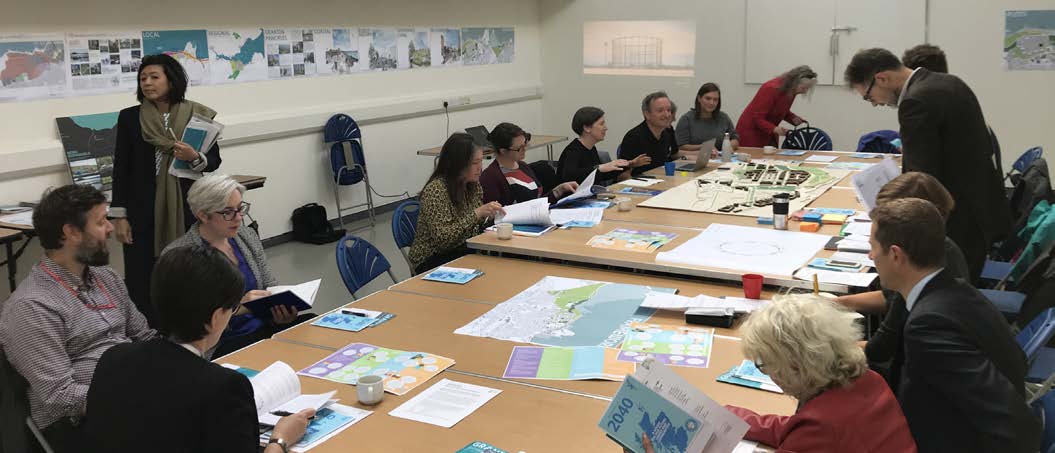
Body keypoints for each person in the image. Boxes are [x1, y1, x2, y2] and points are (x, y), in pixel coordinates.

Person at [84, 244, 314, 453]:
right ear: (215, 318)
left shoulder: (113, 358)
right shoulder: (223, 387)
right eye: (232, 309)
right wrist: (281, 439)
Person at [868, 198, 1040, 452]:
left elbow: (1011, 423)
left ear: (895, 255)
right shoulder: (955, 289)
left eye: (872, 247)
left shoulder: (929, 324)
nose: (871, 256)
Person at [640, 295, 916, 453]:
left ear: (795, 366)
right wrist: (722, 415)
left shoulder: (819, 428)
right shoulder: (868, 381)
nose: (768, 373)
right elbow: (796, 426)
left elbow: (810, 430)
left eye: (765, 364)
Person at [0, 184, 156, 452]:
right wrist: (134, 396)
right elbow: (59, 396)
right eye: (100, 221)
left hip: (132, 397)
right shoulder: (32, 306)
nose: (110, 228)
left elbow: (146, 337)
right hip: (77, 424)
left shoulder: (106, 278)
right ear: (70, 232)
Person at [844, 48, 1011, 283]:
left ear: (882, 78)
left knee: (945, 294)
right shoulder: (948, 82)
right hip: (980, 210)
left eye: (869, 97)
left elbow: (921, 180)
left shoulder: (915, 101)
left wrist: (887, 215)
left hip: (958, 221)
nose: (874, 104)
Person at [111, 53, 223, 325]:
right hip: (141, 209)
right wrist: (119, 216)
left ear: (171, 80)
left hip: (186, 206)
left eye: (154, 77)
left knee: (186, 269)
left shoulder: (197, 115)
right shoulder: (130, 118)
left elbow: (214, 161)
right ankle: (146, 330)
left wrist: (194, 156)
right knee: (141, 275)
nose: (147, 83)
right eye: (143, 78)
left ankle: (187, 325)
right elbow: (121, 168)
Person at [162, 174, 313, 358]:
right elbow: (190, 324)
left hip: (264, 328)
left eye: (240, 208)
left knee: (314, 326)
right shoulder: (180, 255)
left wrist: (280, 312)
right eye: (228, 212)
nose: (239, 218)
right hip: (220, 344)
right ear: (202, 215)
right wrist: (238, 307)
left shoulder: (246, 236)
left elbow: (270, 284)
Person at [836, 172, 968, 376]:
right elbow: (891, 298)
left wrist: (815, 348)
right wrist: (838, 303)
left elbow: (879, 350)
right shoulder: (939, 253)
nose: (871, 256)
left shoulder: (923, 304)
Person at [409, 133, 504, 275]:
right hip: (431, 259)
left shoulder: (472, 184)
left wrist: (489, 216)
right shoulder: (436, 190)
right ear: (458, 164)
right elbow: (443, 241)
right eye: (474, 163)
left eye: (481, 161)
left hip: (462, 248)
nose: (480, 168)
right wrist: (477, 213)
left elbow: (472, 227)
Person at [480, 122, 578, 206]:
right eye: (519, 148)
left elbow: (536, 203)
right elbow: (494, 215)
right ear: (503, 151)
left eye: (525, 145)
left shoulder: (523, 166)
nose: (524, 149)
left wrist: (559, 190)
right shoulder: (490, 177)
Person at [735, 65, 816, 147]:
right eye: (803, 88)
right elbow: (757, 118)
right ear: (795, 82)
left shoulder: (792, 90)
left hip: (768, 133)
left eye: (807, 89)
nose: (805, 92)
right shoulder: (771, 88)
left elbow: (779, 109)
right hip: (752, 134)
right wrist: (776, 129)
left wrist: (793, 118)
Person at [556, 107, 629, 186]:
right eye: (601, 124)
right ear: (587, 128)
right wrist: (599, 168)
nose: (606, 128)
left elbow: (599, 175)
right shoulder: (573, 150)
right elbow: (569, 176)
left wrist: (628, 164)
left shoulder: (591, 148)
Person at [618, 91, 679, 177]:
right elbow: (622, 174)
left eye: (669, 110)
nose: (667, 115)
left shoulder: (667, 133)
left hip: (661, 180)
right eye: (660, 110)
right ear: (647, 114)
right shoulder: (634, 137)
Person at [675, 83, 739, 156]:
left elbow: (735, 139)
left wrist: (728, 146)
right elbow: (680, 146)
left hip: (719, 159)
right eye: (708, 98)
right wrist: (703, 147)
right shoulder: (686, 119)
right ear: (699, 98)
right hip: (695, 160)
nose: (711, 103)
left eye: (715, 100)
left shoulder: (723, 117)